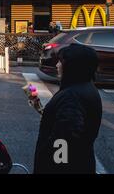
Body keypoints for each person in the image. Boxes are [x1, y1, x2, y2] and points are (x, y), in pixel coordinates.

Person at [33, 44, 102, 174]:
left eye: (61, 61)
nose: (57, 65)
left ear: (73, 67)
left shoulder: (72, 96)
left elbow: (65, 136)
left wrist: (55, 165)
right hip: (82, 162)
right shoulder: (86, 86)